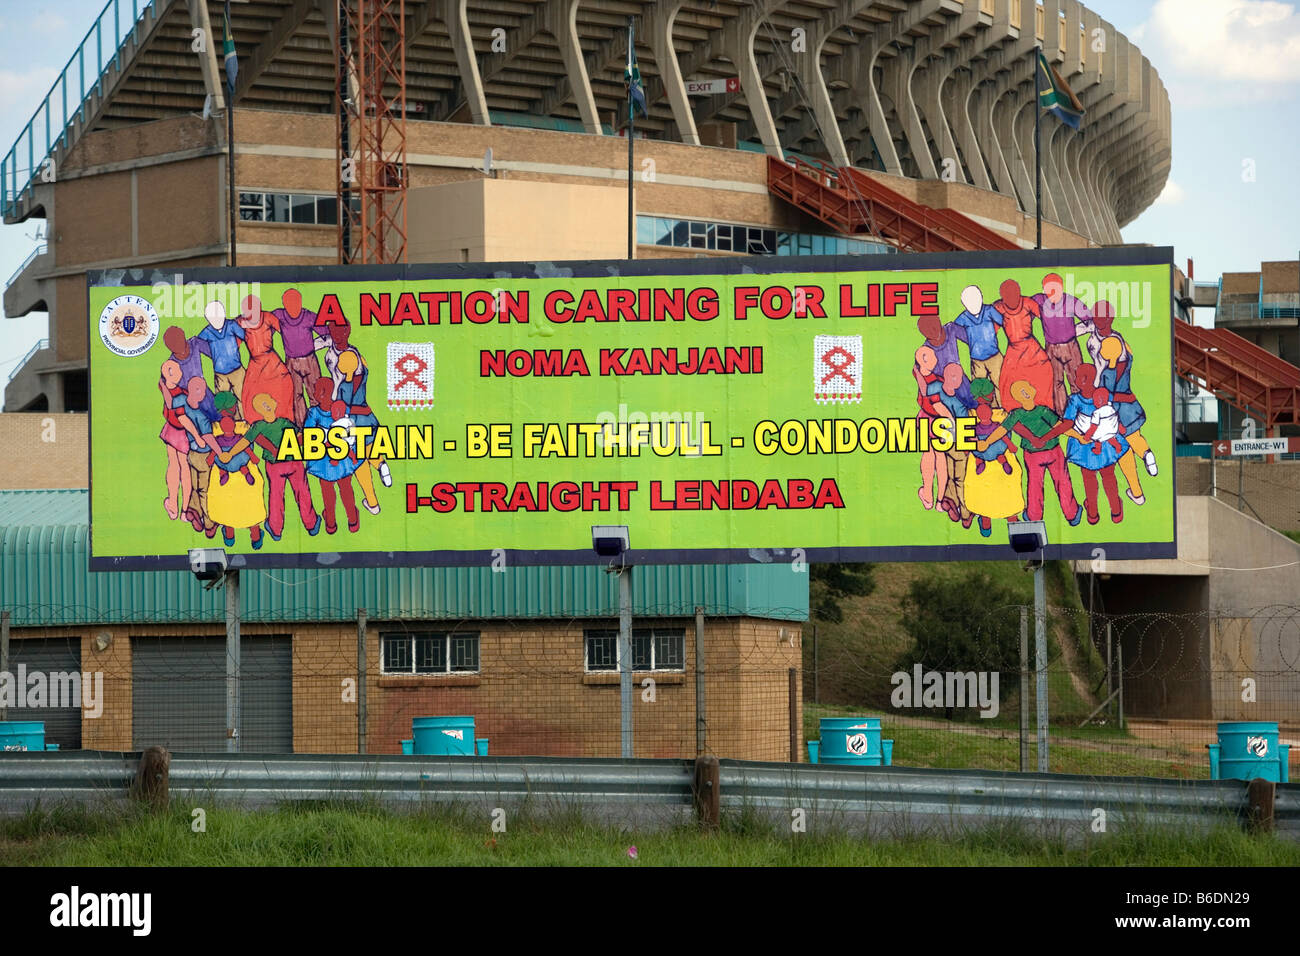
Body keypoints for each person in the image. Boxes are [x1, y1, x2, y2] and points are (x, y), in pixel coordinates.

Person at [977, 379, 1082, 525]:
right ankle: (1072, 513)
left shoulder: (1024, 413)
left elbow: (1061, 427)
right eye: (1021, 392)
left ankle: (1034, 516)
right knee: (1060, 482)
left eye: (1025, 389)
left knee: (1036, 485)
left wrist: (1079, 437)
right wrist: (987, 441)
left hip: (1039, 453)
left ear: (1032, 389)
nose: (1025, 393)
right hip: (1049, 451)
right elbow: (1002, 430)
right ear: (1017, 398)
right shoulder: (1040, 411)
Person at [245, 392, 322, 540]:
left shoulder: (259, 426)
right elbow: (300, 438)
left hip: (275, 466)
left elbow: (245, 441)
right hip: (293, 462)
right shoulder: (284, 422)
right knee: (302, 492)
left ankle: (275, 529)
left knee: (276, 496)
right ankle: (311, 524)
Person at [1061, 364, 1127, 524]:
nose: (1075, 380)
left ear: (1086, 380)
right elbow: (1116, 410)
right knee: (1109, 476)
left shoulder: (1075, 399)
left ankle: (1093, 514)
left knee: (1089, 478)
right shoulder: (1104, 394)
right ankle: (1116, 511)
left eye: (1078, 377)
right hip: (1106, 445)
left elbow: (1067, 422)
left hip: (1086, 444)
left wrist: (1068, 433)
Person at [962, 378, 1025, 537]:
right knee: (1008, 485)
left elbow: (966, 446)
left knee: (982, 487)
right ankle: (1012, 519)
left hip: (982, 457)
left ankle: (986, 521)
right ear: (990, 396)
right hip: (1001, 455)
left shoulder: (969, 415)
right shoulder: (1002, 413)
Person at [205, 392, 268, 549]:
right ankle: (255, 535)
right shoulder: (245, 426)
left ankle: (229, 535)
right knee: (251, 504)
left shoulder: (213, 428)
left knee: (226, 504)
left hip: (224, 470)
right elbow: (254, 446)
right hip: (243, 470)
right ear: (234, 408)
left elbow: (210, 455)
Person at [336, 346, 392, 515]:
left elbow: (341, 407)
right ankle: (380, 463)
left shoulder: (344, 387)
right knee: (370, 449)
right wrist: (356, 357)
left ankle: (373, 503)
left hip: (354, 425)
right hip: (369, 420)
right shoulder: (364, 375)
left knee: (360, 464)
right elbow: (363, 363)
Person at [304, 377, 361, 534]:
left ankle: (331, 524)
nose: (313, 392)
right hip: (341, 459)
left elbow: (308, 435)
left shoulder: (314, 412)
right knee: (346, 489)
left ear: (322, 394)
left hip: (324, 460)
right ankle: (353, 521)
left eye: (316, 390)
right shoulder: (342, 408)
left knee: (328, 491)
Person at [1031, 272, 1093, 414]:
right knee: (1056, 383)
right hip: (1051, 348)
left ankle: (1080, 413)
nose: (1052, 294)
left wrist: (1077, 330)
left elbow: (1089, 319)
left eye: (1055, 290)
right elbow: (1025, 309)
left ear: (1061, 287)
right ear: (1044, 290)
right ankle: (1062, 414)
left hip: (1070, 346)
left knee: (1076, 381)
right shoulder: (1039, 300)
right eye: (1048, 291)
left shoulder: (1070, 301)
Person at [992, 279, 1054, 415]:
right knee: (1006, 382)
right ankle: (1013, 415)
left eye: (1015, 293)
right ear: (1002, 297)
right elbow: (991, 331)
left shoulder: (1027, 303)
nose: (1012, 298)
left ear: (1019, 292)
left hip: (1031, 348)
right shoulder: (998, 308)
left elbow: (1046, 319)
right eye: (1007, 295)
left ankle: (1046, 411)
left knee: (1045, 371)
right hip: (1013, 351)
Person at [271, 289, 331, 426]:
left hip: (309, 360)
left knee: (315, 394)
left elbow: (325, 330)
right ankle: (301, 426)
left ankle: (318, 425)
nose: (293, 306)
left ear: (300, 302)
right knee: (295, 396)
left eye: (296, 302)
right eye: (289, 303)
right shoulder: (279, 315)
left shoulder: (308, 316)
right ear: (284, 304)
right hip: (291, 361)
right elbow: (267, 326)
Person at [174, 376, 223, 537]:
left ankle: (193, 511)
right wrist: (220, 452)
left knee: (194, 485)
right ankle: (209, 523)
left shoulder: (181, 401)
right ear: (200, 394)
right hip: (202, 456)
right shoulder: (201, 416)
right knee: (204, 490)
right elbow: (208, 438)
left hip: (190, 454)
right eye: (201, 390)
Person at [238, 294, 295, 426]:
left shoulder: (268, 317)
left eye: (254, 308)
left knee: (284, 385)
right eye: (248, 309)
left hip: (272, 361)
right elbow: (234, 343)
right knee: (249, 395)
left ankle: (286, 423)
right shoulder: (240, 323)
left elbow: (285, 332)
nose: (252, 312)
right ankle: (256, 427)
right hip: (255, 364)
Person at [159, 359, 199, 521]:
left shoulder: (165, 388)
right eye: (176, 370)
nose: (181, 372)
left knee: (176, 467)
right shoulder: (180, 395)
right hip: (180, 432)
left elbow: (168, 400)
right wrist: (197, 436)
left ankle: (177, 507)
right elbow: (183, 418)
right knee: (183, 470)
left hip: (172, 430)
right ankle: (180, 509)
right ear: (168, 374)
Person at [952, 285, 1004, 404]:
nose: (973, 304)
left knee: (1000, 384)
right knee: (979, 390)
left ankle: (1001, 409)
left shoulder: (989, 310)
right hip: (977, 360)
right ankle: (985, 414)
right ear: (964, 304)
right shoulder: (963, 317)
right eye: (969, 302)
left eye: (976, 299)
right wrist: (969, 340)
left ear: (981, 298)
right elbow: (955, 330)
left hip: (994, 356)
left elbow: (1003, 321)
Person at [196, 301, 247, 421]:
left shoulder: (232, 325)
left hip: (237, 370)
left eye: (218, 315)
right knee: (223, 403)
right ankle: (230, 426)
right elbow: (198, 344)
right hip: (220, 374)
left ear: (223, 313)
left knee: (242, 398)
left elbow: (245, 336)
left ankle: (246, 423)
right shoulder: (207, 332)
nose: (216, 320)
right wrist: (213, 355)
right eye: (212, 318)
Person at [913, 345, 947, 510]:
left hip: (926, 419)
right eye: (933, 356)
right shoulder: (935, 383)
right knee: (939, 458)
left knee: (930, 455)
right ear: (924, 360)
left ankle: (928, 495)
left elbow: (917, 371)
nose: (936, 358)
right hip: (937, 420)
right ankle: (938, 500)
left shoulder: (918, 373)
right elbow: (938, 405)